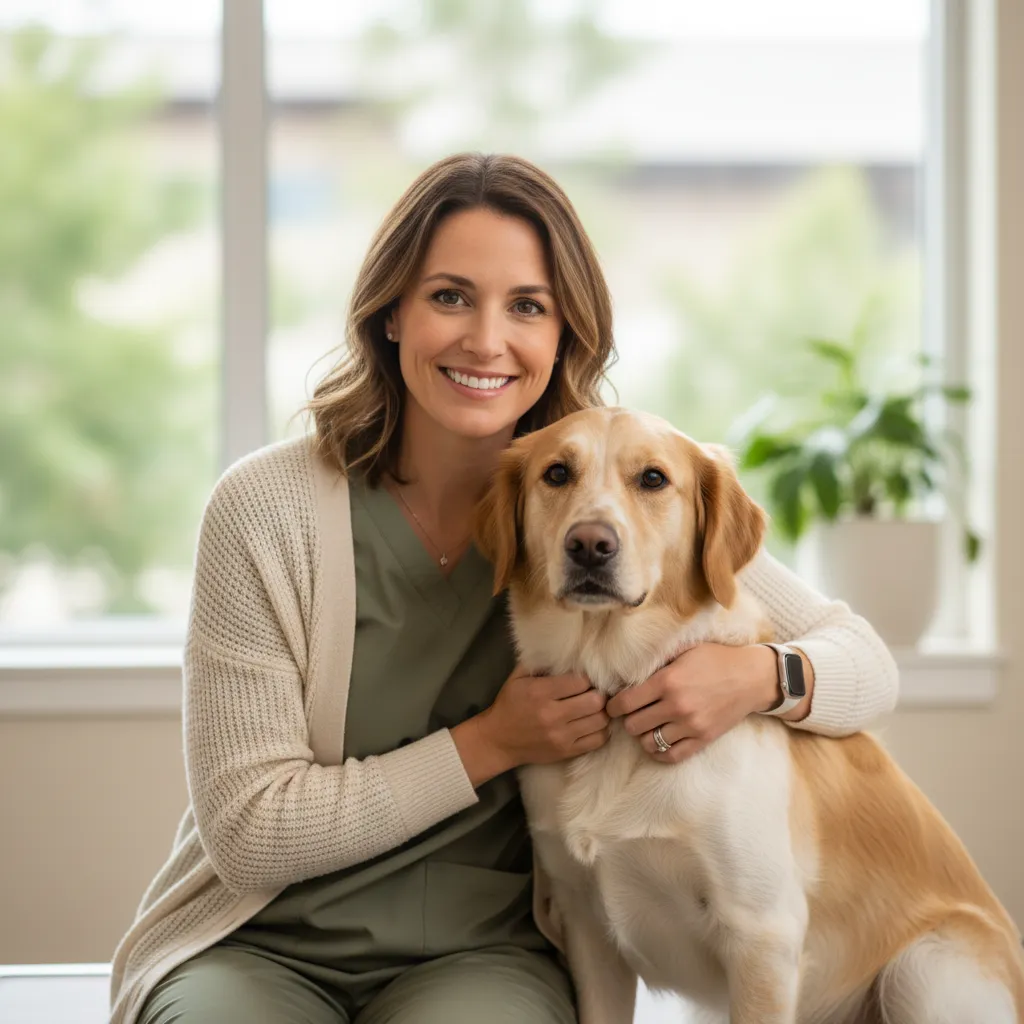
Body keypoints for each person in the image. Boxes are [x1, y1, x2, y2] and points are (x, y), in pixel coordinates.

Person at [109, 152, 898, 1024]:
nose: (486, 340)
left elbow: (863, 662)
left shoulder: (611, 502)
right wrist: (491, 741)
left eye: (527, 306)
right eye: (449, 296)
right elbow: (249, 832)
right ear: (391, 316)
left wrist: (758, 677)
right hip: (258, 943)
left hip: (482, 957)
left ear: (565, 333)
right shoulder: (266, 510)